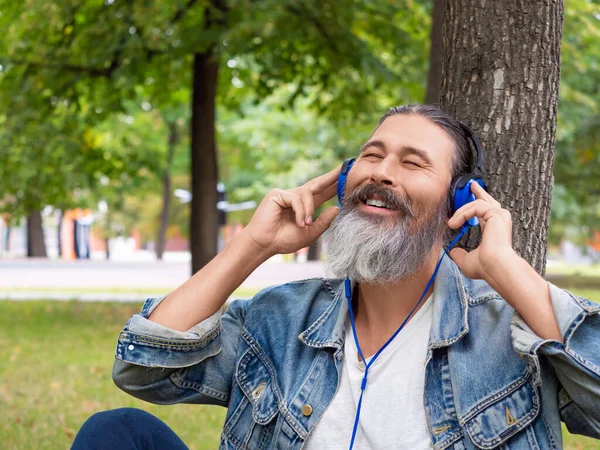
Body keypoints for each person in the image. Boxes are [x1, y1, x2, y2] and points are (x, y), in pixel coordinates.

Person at [72, 104, 600, 450]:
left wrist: (506, 268)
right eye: (371, 156)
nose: (382, 172)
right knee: (115, 434)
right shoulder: (280, 318)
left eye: (413, 163)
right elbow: (143, 368)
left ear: (456, 204)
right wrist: (253, 247)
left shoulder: (509, 332)